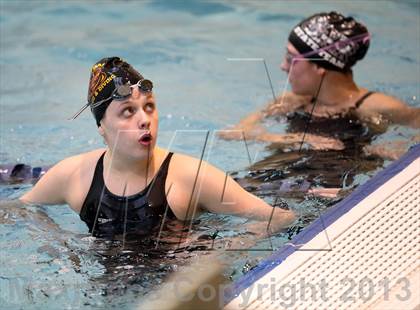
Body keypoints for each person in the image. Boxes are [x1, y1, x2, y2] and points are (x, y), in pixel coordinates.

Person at [13, 56, 294, 241]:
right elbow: (19, 209)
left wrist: (219, 256)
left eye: (149, 107)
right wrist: (60, 245)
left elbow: (280, 218)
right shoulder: (74, 175)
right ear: (102, 127)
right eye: (128, 112)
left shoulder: (190, 177)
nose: (144, 119)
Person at [219, 11, 420, 151]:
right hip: (281, 171)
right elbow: (232, 133)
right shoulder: (290, 102)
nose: (283, 66)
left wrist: (390, 149)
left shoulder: (374, 106)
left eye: (291, 59)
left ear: (319, 67)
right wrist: (296, 139)